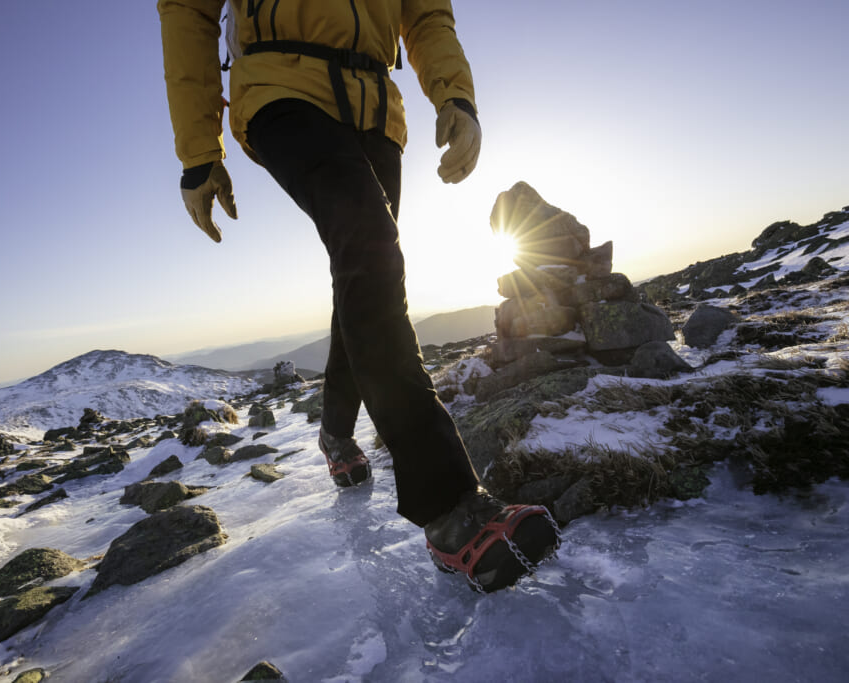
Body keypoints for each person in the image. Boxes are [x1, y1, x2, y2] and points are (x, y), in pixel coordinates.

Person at [158, 0, 559, 592]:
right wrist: (199, 151)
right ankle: (450, 508)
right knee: (369, 249)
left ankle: (336, 432)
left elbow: (425, 13)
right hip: (279, 88)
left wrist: (457, 96)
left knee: (361, 268)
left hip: (375, 106)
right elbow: (187, 10)